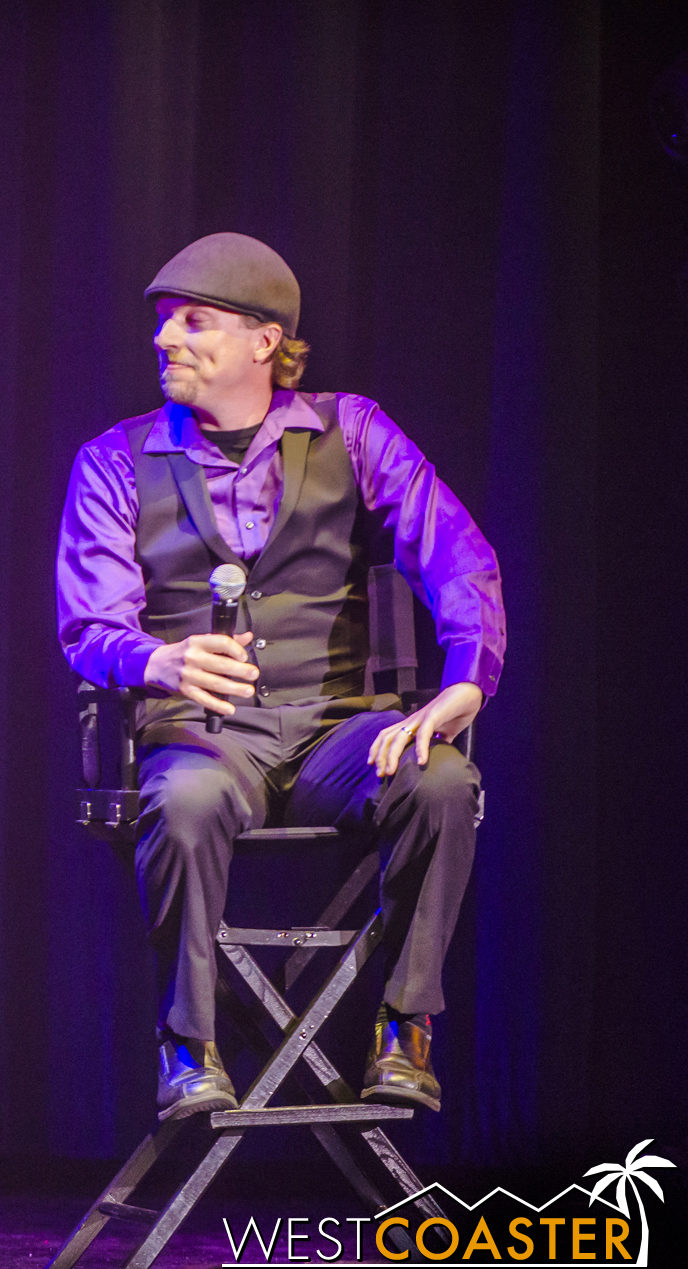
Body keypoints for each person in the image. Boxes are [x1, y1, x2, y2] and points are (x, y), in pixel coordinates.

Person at [56, 232, 504, 1120]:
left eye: (193, 321)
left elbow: (457, 554)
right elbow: (88, 626)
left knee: (443, 781)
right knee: (181, 806)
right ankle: (189, 1043)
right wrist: (161, 659)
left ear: (265, 340)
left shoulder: (354, 431)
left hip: (342, 727)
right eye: (161, 324)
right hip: (203, 735)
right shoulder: (116, 458)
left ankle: (403, 1028)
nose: (165, 340)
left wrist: (469, 678)